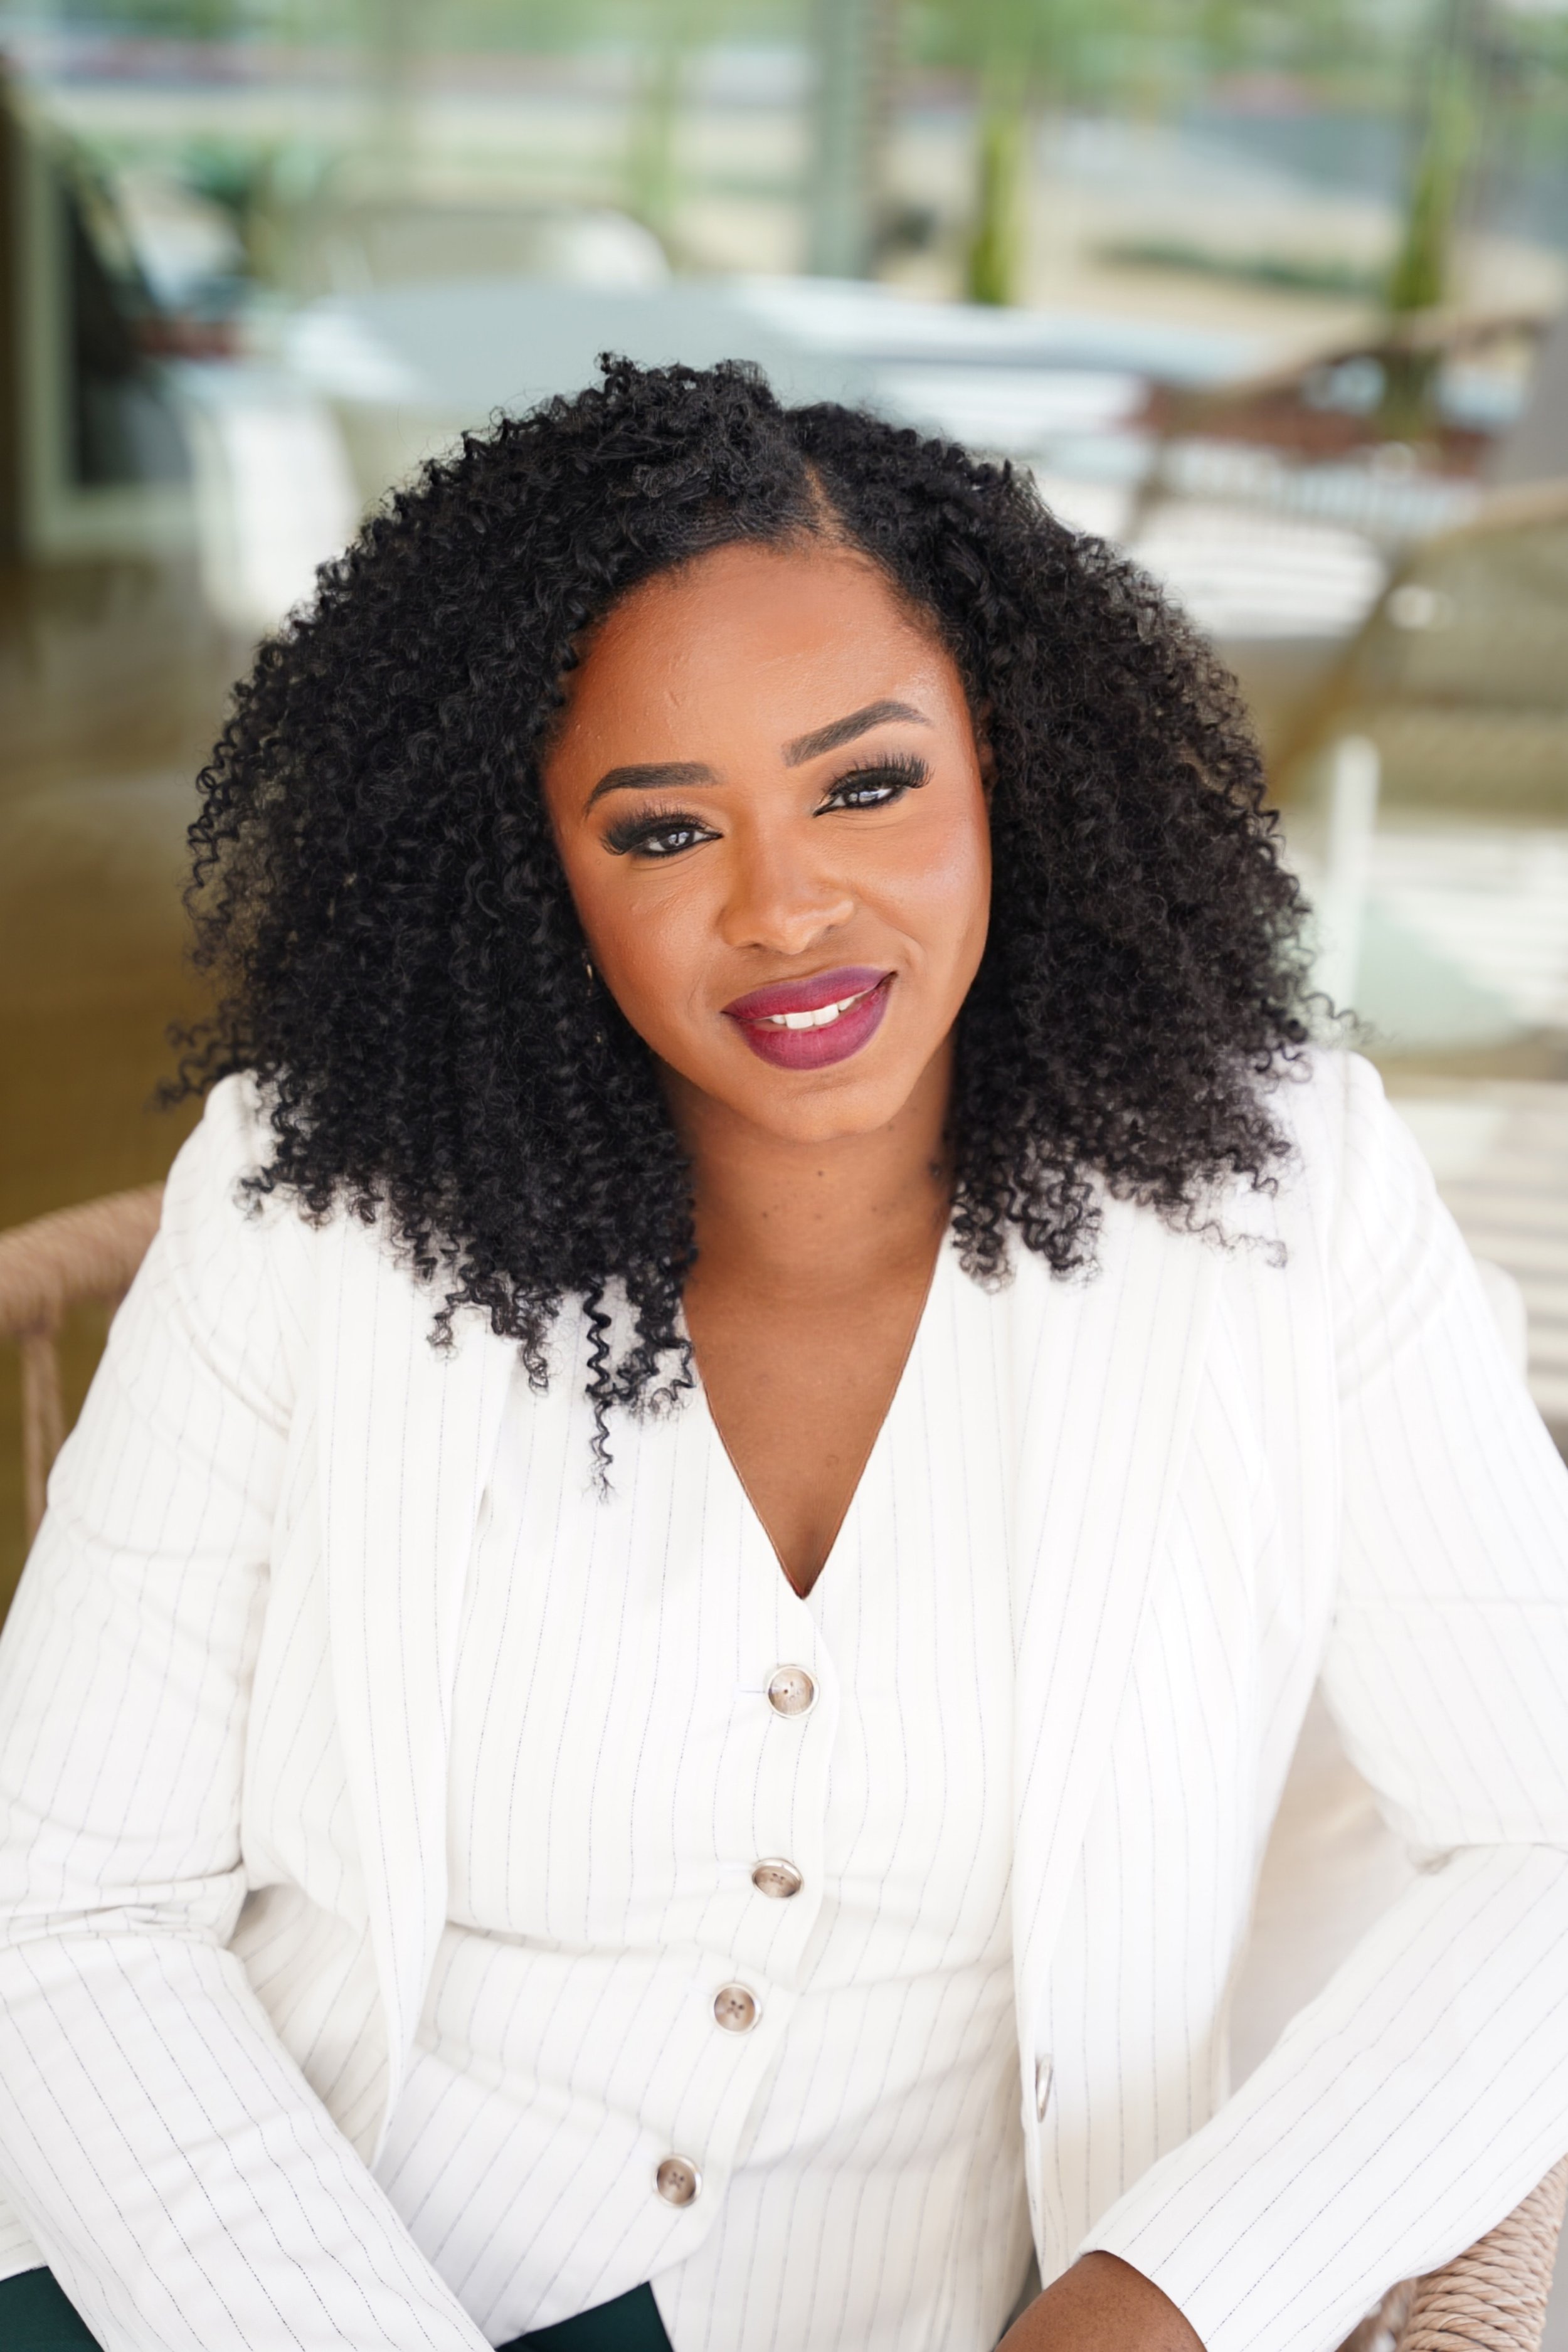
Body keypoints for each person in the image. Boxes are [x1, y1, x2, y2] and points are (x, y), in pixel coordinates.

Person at [0, 358, 1565, 2352]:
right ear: (528, 873)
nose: (787, 909)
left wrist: (1170, 2300)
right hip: (265, 2274)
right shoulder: (310, 1217)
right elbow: (58, 1907)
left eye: (869, 783)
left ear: (1012, 762)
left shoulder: (1290, 1200)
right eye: (660, 832)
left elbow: (1545, 1838)